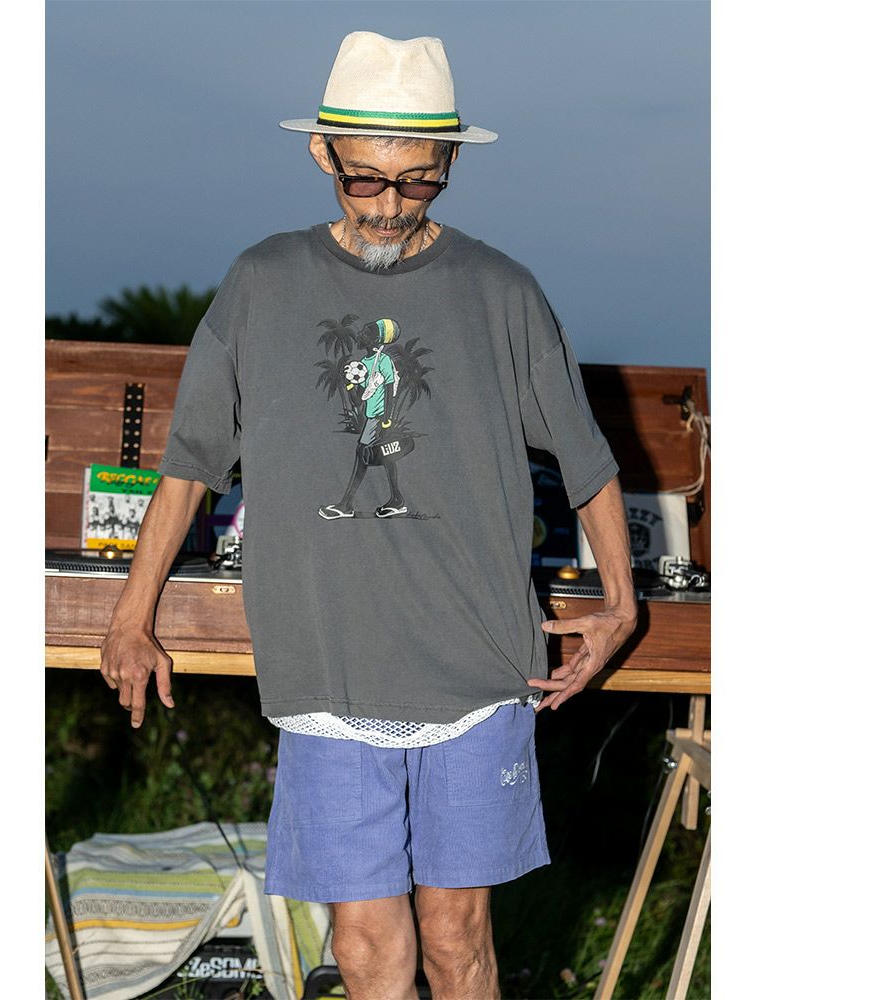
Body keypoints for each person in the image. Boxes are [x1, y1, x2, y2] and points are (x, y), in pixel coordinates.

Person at [100, 31, 637, 1000]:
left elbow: (588, 460)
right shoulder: (263, 281)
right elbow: (188, 463)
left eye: (419, 181)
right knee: (361, 939)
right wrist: (130, 617)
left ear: (451, 161)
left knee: (456, 934)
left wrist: (622, 605)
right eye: (366, 180)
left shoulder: (501, 291)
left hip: (479, 663)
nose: (390, 204)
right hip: (327, 661)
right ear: (322, 154)